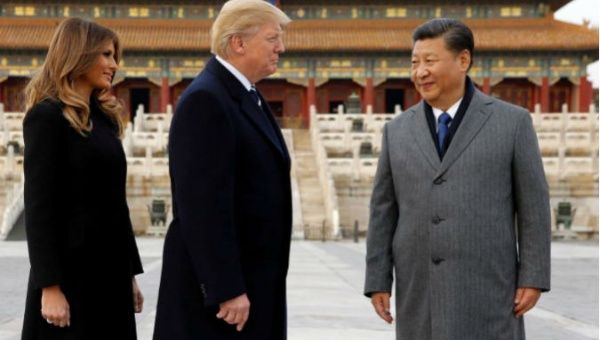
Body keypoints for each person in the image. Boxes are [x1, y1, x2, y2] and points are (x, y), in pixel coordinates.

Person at [364, 18, 551, 340]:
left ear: (463, 60)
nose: (420, 71)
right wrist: (378, 279)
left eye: (430, 61)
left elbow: (533, 206)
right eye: (414, 62)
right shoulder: (396, 131)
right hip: (418, 287)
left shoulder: (512, 123)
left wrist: (533, 276)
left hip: (488, 286)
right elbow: (383, 210)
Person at [152, 1, 292, 339]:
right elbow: (201, 206)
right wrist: (225, 287)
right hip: (223, 300)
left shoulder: (245, 95)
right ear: (238, 43)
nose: (282, 48)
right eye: (272, 38)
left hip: (253, 281)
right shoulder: (207, 100)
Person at [21, 17, 144, 340]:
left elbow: (117, 204)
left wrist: (130, 273)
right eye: (105, 54)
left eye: (114, 55)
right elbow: (39, 207)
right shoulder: (46, 118)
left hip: (111, 271)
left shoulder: (103, 118)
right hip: (70, 275)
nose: (114, 64)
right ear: (79, 55)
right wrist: (49, 286)